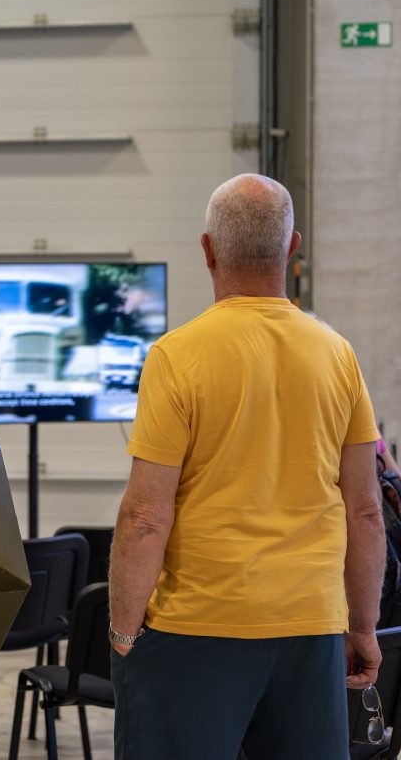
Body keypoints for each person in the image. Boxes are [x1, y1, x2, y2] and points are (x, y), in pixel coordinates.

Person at [107, 174, 386, 759]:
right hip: (310, 627)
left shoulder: (177, 357)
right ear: (291, 248)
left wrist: (124, 631)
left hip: (196, 627)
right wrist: (361, 626)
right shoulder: (337, 355)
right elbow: (364, 510)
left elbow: (145, 516)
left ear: (207, 249)